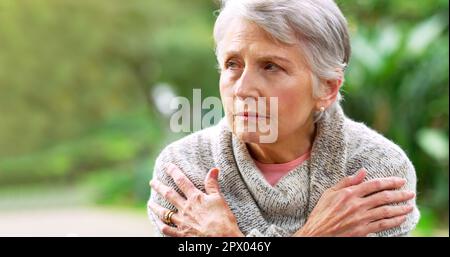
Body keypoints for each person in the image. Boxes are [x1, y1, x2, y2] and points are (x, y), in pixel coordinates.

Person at [147, 0, 420, 237]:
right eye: (233, 64)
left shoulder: (375, 171)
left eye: (271, 66)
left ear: (327, 88)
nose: (242, 89)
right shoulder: (185, 169)